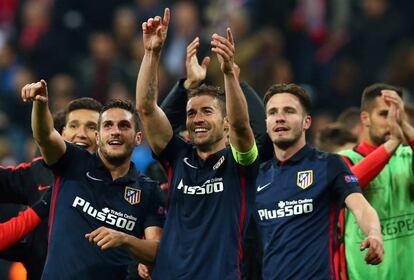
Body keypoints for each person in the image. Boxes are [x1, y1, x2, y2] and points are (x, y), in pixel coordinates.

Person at [136, 8, 258, 279]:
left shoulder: (241, 164)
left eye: (207, 112)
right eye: (191, 113)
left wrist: (228, 73)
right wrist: (152, 53)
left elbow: (241, 125)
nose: (197, 119)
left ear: (225, 122)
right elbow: (146, 108)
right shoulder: (179, 156)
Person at [21, 80, 165, 279]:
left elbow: (158, 251)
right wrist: (40, 104)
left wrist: (124, 239)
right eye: (108, 125)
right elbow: (45, 136)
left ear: (138, 138)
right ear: (98, 137)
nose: (115, 131)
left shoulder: (148, 190)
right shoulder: (74, 162)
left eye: (124, 126)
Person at [254, 83, 384, 279]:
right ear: (267, 122)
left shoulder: (328, 165)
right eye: (273, 112)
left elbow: (361, 207)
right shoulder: (258, 176)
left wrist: (374, 233)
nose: (280, 117)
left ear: (307, 122)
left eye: (289, 111)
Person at [0, 97, 102, 279]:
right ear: (61, 134)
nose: (81, 133)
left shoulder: (119, 181)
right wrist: (27, 246)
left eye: (92, 127)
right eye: (74, 126)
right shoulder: (39, 171)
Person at [339, 83, 414, 280]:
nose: (391, 121)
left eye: (396, 114)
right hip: (365, 275)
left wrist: (405, 127)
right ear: (365, 118)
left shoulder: (408, 156)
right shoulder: (343, 160)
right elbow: (350, 183)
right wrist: (392, 142)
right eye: (383, 114)